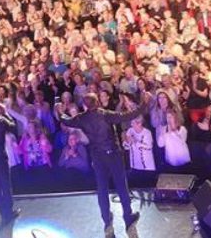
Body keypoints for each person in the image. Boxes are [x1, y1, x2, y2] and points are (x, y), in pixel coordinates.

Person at [58, 92, 148, 234]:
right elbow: (129, 115)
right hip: (113, 155)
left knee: (102, 189)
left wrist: (60, 112)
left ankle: (107, 223)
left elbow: (66, 121)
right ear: (98, 102)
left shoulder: (81, 118)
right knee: (121, 187)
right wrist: (144, 103)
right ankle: (128, 219)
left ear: (85, 105)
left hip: (98, 158)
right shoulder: (106, 114)